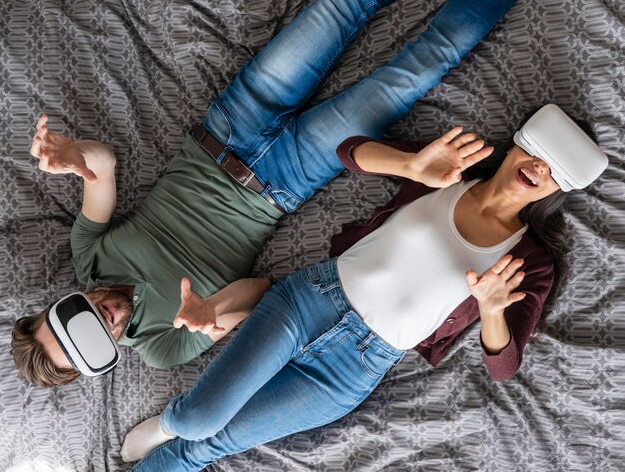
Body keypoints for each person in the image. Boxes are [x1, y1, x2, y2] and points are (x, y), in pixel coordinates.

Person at [11, 0, 540, 387]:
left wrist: (76, 156)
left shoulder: (89, 255)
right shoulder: (161, 347)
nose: (100, 319)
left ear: (62, 302)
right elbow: (260, 288)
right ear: (102, 359)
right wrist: (210, 311)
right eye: (92, 343)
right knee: (422, 67)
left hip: (226, 126)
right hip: (284, 181)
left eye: (75, 316)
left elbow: (101, 169)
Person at [120, 97, 609, 468]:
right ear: (521, 140)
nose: (539, 169)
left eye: (556, 172)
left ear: (560, 188)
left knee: (212, 445)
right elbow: (349, 152)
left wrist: (490, 308)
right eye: (540, 152)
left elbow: (503, 367)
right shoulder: (450, 169)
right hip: (311, 301)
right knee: (195, 421)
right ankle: (169, 423)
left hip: (355, 368)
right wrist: (411, 165)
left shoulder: (533, 260)